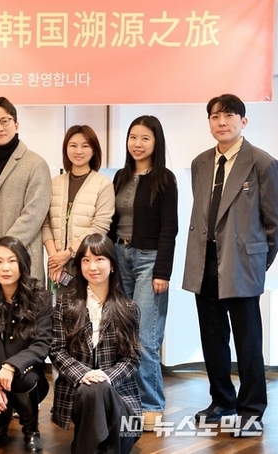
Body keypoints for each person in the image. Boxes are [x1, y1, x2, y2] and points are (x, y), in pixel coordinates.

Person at [183, 94, 278, 435]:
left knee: (248, 340)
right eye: (215, 116)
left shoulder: (262, 162)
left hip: (242, 263)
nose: (221, 122)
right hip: (204, 260)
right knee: (212, 337)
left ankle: (251, 410)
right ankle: (222, 400)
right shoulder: (200, 163)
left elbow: (274, 223)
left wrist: (258, 261)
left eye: (229, 116)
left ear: (243, 121)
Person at [107, 115, 178, 431]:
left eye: (145, 138)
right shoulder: (120, 176)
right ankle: (128, 400)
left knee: (145, 336)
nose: (137, 144)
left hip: (150, 261)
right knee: (122, 332)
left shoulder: (165, 179)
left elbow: (169, 228)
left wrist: (163, 271)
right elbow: (111, 223)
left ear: (156, 142)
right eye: (133, 137)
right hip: (119, 257)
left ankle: (151, 404)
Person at [50, 233, 141, 454]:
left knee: (99, 389)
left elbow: (132, 358)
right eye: (86, 260)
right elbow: (57, 350)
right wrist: (85, 375)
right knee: (92, 390)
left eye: (99, 259)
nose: (92, 266)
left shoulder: (128, 308)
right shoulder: (65, 304)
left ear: (112, 265)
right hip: (80, 395)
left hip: (119, 397)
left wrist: (106, 378)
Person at [0, 236, 52, 452]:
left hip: (27, 376)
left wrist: (12, 366)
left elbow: (42, 343)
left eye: (11, 261)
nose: (5, 268)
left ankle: (31, 430)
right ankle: (1, 424)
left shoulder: (40, 297)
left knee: (25, 381)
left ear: (22, 263)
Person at [0, 97, 51, 284]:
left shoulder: (36, 164)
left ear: (16, 125)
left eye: (5, 121)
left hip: (23, 258)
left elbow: (34, 214)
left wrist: (3, 250)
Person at [43, 125, 114, 294]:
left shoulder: (103, 184)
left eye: (85, 146)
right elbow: (45, 222)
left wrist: (67, 254)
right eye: (73, 145)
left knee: (86, 308)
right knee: (56, 309)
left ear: (94, 150)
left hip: (88, 263)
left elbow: (100, 227)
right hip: (57, 266)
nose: (78, 151)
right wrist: (55, 259)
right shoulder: (54, 183)